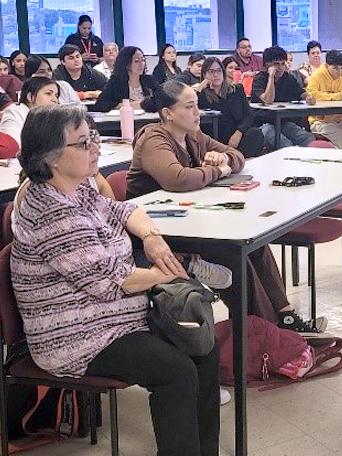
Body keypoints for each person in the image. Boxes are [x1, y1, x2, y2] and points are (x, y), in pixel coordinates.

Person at [11, 103, 240, 456]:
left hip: (114, 316)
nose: (95, 148)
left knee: (201, 338)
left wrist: (152, 239)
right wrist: (168, 272)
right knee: (175, 370)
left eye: (93, 138)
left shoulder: (75, 188)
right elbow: (110, 282)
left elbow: (120, 210)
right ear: (49, 157)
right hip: (75, 337)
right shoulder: (50, 211)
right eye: (84, 143)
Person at [130, 80, 326, 333]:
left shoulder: (193, 136)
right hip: (158, 233)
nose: (197, 113)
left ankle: (284, 316)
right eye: (189, 107)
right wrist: (217, 169)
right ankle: (263, 332)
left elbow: (237, 155)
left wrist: (224, 158)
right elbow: (177, 179)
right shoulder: (153, 139)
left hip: (191, 222)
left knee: (255, 245)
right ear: (168, 113)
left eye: (197, 106)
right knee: (234, 253)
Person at [250, 46, 315, 149]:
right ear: (267, 65)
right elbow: (268, 100)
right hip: (263, 124)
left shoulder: (288, 77)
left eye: (283, 63)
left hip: (284, 122)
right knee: (286, 145)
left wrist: (308, 97)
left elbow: (301, 92)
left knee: (308, 139)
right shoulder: (260, 78)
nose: (280, 68)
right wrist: (271, 77)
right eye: (276, 64)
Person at [197, 57, 263, 157]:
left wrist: (238, 133)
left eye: (219, 71)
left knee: (255, 133)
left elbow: (248, 115)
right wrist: (200, 88)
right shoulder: (201, 95)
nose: (216, 75)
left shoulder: (236, 90)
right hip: (213, 137)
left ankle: (233, 158)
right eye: (211, 71)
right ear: (204, 74)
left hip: (235, 134)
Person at [94, 46, 161, 112]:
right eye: (136, 61)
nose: (141, 64)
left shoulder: (149, 80)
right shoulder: (115, 82)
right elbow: (100, 105)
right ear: (126, 64)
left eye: (143, 60)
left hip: (149, 118)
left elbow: (164, 99)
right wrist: (127, 105)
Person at [0, 77, 60, 144]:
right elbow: (14, 146)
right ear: (30, 96)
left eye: (56, 96)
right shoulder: (14, 113)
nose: (55, 100)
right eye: (48, 94)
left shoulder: (51, 118)